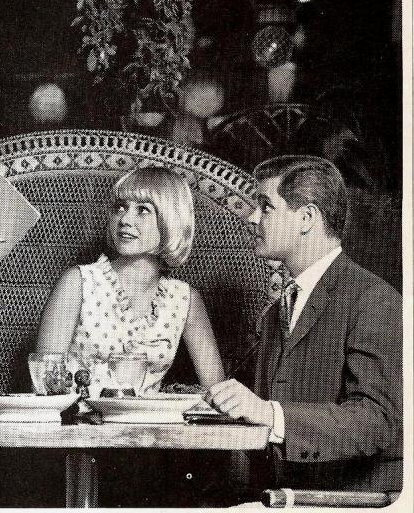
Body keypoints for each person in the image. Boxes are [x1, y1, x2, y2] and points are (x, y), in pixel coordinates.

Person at [205, 155, 402, 493]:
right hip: (286, 496)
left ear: (307, 218)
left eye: (266, 207)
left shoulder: (374, 300)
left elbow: (377, 421)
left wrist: (271, 414)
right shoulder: (276, 312)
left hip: (355, 499)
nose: (252, 217)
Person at [36, 166, 225, 397]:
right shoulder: (78, 282)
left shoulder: (185, 299)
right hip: (78, 418)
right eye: (120, 207)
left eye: (143, 210)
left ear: (171, 220)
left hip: (151, 420)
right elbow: (44, 385)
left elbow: (219, 392)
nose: (125, 219)